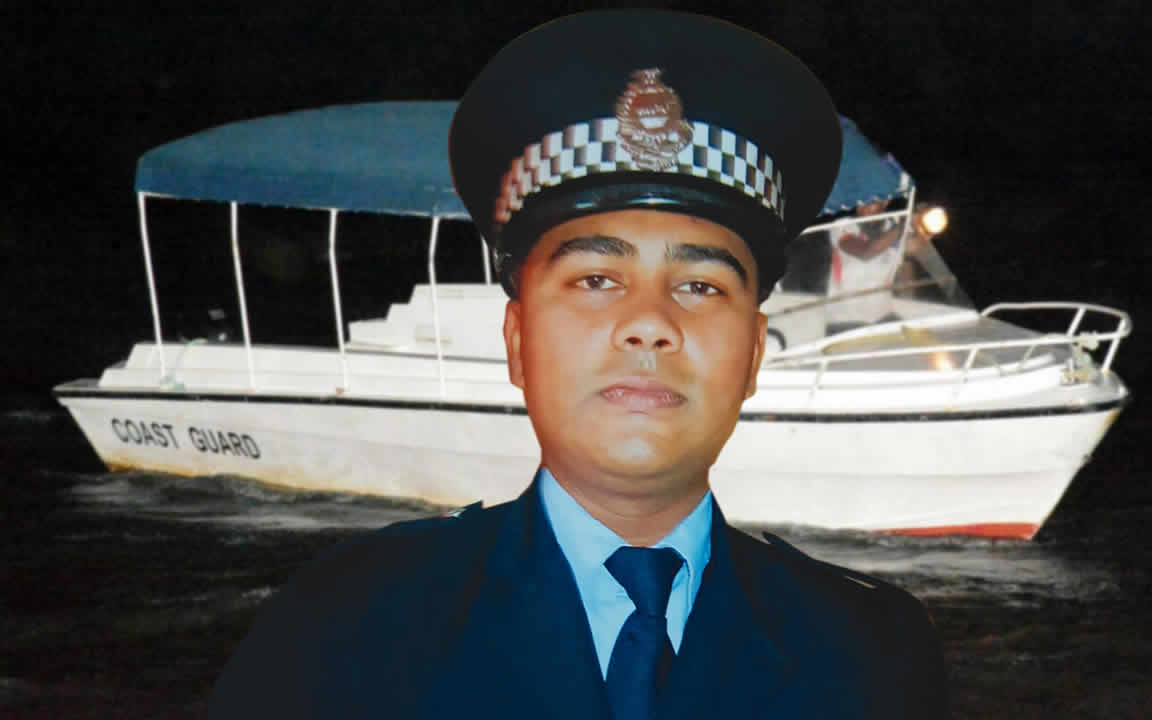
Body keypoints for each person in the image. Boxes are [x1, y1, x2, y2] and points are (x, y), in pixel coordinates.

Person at [209, 10, 948, 719]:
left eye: (700, 286)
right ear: (517, 341)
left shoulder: (872, 652)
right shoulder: (345, 630)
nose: (650, 323)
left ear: (754, 354)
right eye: (596, 279)